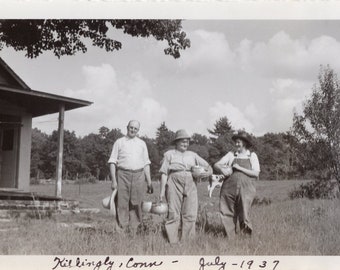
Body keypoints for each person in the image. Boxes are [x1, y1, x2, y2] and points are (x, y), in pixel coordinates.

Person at [159, 129, 212, 244]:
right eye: (182, 141)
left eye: (187, 142)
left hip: (191, 182)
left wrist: (209, 172)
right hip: (173, 181)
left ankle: (187, 241)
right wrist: (162, 191)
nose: (185, 144)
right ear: (176, 142)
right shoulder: (169, 154)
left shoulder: (193, 155)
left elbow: (207, 166)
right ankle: (172, 241)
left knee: (190, 212)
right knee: (173, 211)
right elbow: (164, 173)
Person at [108, 120, 153, 233]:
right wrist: (114, 181)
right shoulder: (119, 142)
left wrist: (149, 181)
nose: (133, 130)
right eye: (131, 127)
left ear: (138, 130)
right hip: (123, 174)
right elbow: (112, 162)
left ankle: (134, 230)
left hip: (139, 175)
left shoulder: (142, 144)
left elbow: (146, 163)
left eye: (135, 128)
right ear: (127, 127)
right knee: (122, 203)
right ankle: (121, 230)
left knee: (137, 203)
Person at [214, 130, 260, 238]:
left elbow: (256, 173)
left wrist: (239, 168)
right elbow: (216, 164)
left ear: (244, 143)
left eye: (238, 142)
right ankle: (230, 237)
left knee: (244, 212)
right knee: (227, 211)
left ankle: (246, 236)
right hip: (228, 187)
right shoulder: (231, 155)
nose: (236, 144)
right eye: (236, 142)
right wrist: (222, 169)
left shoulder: (252, 156)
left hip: (247, 188)